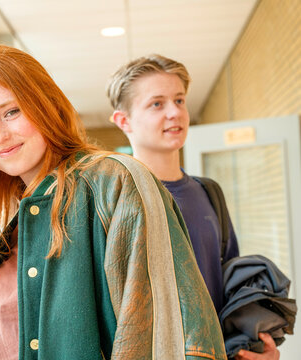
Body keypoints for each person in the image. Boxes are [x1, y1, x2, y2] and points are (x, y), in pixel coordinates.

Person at [0, 44, 227, 360]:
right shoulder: (0, 215)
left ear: (45, 103)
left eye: (12, 112)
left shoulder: (114, 180)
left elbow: (168, 332)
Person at [107, 54, 280, 360]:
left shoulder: (208, 191)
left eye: (180, 100)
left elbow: (229, 288)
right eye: (157, 104)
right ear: (124, 121)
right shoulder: (114, 202)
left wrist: (252, 348)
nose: (174, 112)